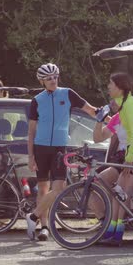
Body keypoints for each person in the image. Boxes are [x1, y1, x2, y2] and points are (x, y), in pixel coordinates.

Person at [25, 63, 97, 241]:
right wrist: (30, 156)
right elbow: (31, 131)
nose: (53, 80)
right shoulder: (37, 100)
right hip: (41, 147)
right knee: (43, 189)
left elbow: (90, 109)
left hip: (59, 148)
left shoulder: (68, 94)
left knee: (59, 188)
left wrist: (111, 121)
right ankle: (44, 227)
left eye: (55, 77)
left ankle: (32, 216)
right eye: (49, 78)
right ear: (42, 81)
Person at [100, 72, 133, 246]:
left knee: (121, 195)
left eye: (111, 84)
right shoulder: (125, 104)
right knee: (119, 194)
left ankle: (116, 235)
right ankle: (111, 232)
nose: (108, 87)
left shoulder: (129, 104)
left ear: (120, 88)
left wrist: (129, 160)